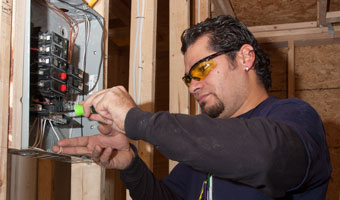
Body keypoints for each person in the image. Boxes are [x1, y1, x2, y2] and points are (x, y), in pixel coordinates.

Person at [53, 15, 331, 199]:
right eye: (189, 77)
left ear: (245, 57)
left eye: (203, 69)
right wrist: (131, 165)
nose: (192, 85)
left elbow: (267, 158)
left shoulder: (295, 117)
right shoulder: (208, 144)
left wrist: (136, 120)